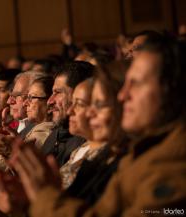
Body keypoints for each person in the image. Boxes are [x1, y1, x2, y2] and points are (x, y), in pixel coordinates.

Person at [11, 35, 186, 217]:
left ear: (172, 89)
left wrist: (44, 196)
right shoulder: (137, 154)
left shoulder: (175, 163)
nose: (122, 96)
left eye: (136, 84)